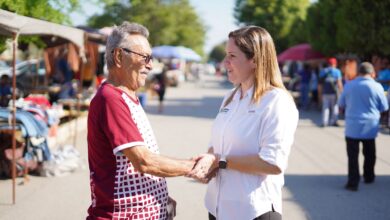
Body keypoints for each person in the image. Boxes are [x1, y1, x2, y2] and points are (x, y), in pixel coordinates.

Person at [87, 22, 199, 219]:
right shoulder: (111, 98)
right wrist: (195, 167)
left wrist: (160, 195)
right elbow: (144, 161)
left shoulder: (126, 95)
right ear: (119, 56)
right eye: (145, 57)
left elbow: (139, 163)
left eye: (151, 57)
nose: (150, 64)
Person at [189, 26, 298, 220]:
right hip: (218, 208)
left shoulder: (276, 100)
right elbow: (220, 146)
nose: (225, 62)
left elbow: (273, 163)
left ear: (255, 59)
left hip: (252, 211)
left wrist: (221, 162)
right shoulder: (231, 97)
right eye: (225, 55)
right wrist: (208, 163)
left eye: (232, 56)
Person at [338, 62, 388, 191]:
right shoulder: (377, 87)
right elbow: (384, 107)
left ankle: (353, 182)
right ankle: (369, 176)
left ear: (359, 72)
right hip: (370, 126)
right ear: (372, 73)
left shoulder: (349, 85)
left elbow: (341, 104)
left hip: (352, 126)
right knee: (370, 153)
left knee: (353, 155)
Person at [318, 58, 343, 127]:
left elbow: (320, 84)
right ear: (335, 64)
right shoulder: (337, 71)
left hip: (325, 92)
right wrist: (341, 92)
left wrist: (319, 93)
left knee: (325, 107)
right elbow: (339, 83)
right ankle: (334, 121)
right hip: (334, 93)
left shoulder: (323, 71)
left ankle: (324, 122)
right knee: (335, 107)